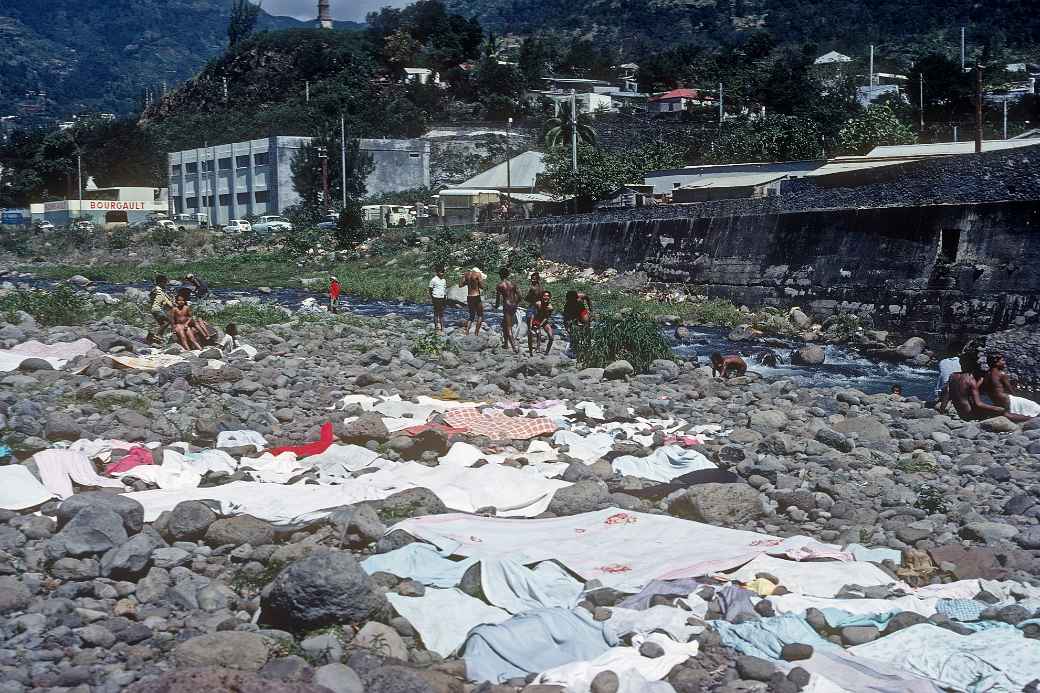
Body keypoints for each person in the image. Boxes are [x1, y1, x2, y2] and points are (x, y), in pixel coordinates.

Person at [939, 352, 1015, 421]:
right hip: (970, 414)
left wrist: (941, 412)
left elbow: (947, 394)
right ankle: (1026, 419)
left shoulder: (952, 376)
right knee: (1003, 413)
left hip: (960, 413)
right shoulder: (970, 379)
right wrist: (997, 409)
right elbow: (978, 404)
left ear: (960, 363)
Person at [983, 351, 1040, 418]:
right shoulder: (1001, 374)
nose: (1004, 363)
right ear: (997, 363)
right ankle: (1032, 418)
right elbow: (1009, 389)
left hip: (996, 400)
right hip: (1006, 399)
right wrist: (1016, 397)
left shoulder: (986, 375)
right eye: (1002, 360)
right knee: (1035, 406)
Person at [495, 267, 521, 353]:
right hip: (514, 305)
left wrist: (495, 306)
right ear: (508, 274)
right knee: (504, 324)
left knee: (508, 327)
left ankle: (514, 347)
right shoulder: (513, 283)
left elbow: (498, 300)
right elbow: (520, 295)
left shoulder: (499, 285)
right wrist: (516, 303)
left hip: (507, 305)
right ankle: (506, 344)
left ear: (500, 275)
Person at [148, 274, 174, 345]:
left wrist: (172, 304)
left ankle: (158, 338)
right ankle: (157, 334)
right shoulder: (157, 289)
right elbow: (153, 294)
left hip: (155, 309)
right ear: (161, 282)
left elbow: (167, 302)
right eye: (165, 282)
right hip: (157, 309)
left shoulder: (162, 291)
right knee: (167, 322)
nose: (166, 284)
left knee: (162, 324)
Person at [459, 267, 485, 335]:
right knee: (480, 315)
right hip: (476, 296)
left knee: (471, 316)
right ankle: (476, 332)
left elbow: (460, 285)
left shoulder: (466, 275)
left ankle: (467, 331)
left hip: (469, 296)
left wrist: (463, 277)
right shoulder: (478, 274)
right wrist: (479, 282)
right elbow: (482, 286)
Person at [528, 290, 554, 356]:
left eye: (548, 296)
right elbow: (533, 314)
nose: (546, 297)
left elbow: (546, 317)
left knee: (551, 337)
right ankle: (536, 348)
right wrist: (531, 324)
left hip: (544, 321)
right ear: (542, 297)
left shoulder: (550, 308)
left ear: (550, 298)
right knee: (536, 333)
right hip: (536, 320)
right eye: (544, 296)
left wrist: (541, 324)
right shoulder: (538, 304)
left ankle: (546, 353)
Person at [428, 266, 447, 333]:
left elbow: (444, 290)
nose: (442, 273)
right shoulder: (433, 280)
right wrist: (432, 298)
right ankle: (436, 327)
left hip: (442, 298)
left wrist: (445, 298)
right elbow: (430, 289)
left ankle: (442, 328)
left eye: (443, 272)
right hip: (436, 298)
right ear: (437, 272)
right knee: (436, 313)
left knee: (441, 313)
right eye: (441, 272)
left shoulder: (444, 280)